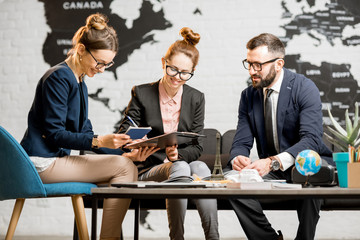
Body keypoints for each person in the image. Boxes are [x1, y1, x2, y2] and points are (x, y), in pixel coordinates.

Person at [20, 13, 158, 240]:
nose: (103, 69)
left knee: (126, 166)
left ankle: (109, 237)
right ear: (81, 49)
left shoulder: (80, 83)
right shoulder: (58, 78)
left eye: (108, 63)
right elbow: (55, 134)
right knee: (124, 169)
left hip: (56, 161)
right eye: (100, 62)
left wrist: (126, 152)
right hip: (41, 162)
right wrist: (99, 141)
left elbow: (85, 134)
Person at [226, 33, 334, 240]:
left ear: (279, 64)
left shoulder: (305, 88)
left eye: (258, 65)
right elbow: (241, 141)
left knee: (309, 182)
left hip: (305, 164)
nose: (251, 71)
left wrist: (273, 162)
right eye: (248, 64)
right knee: (233, 186)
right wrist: (237, 157)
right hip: (272, 170)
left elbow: (311, 139)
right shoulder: (248, 96)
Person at [118, 27, 219, 240]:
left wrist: (177, 156)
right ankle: (177, 238)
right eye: (172, 69)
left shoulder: (196, 98)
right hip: (149, 168)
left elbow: (197, 146)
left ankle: (213, 237)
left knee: (199, 166)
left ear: (192, 72)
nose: (177, 77)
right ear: (164, 62)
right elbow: (124, 133)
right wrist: (134, 145)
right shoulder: (142, 93)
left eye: (185, 73)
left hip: (178, 168)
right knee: (182, 167)